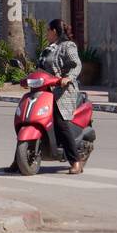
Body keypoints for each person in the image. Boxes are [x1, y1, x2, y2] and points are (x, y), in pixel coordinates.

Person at [37, 18, 86, 174]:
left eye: (48, 30)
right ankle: (18, 161)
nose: (46, 33)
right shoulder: (48, 48)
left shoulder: (67, 46)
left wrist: (68, 78)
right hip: (44, 90)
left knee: (59, 122)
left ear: (54, 31)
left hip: (63, 91)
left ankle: (76, 161)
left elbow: (76, 64)